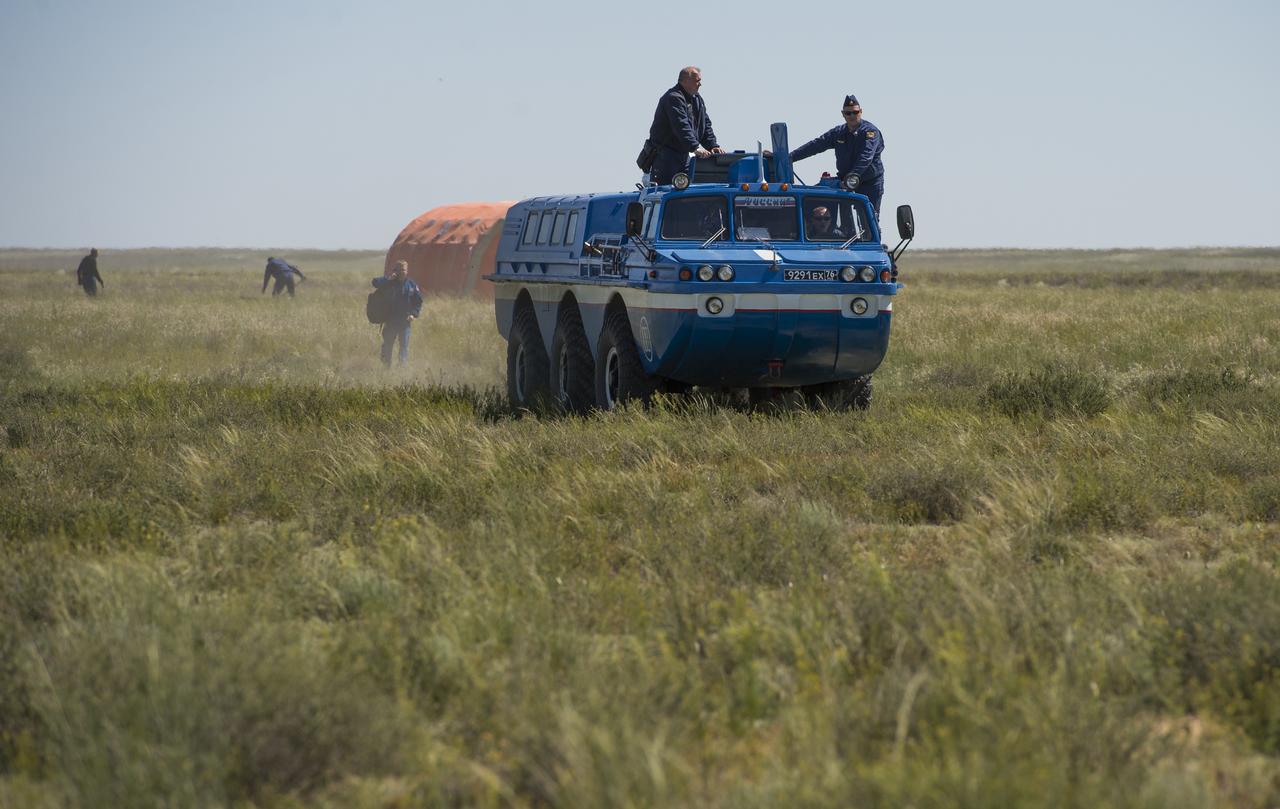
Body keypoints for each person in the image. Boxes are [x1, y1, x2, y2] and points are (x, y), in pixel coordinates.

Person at [790, 94, 885, 217]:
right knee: (829, 209)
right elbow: (816, 145)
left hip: (869, 183)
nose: (852, 116)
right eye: (848, 113)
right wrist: (790, 157)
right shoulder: (838, 133)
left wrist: (853, 175)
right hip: (845, 181)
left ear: (861, 112)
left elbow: (866, 156)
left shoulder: (870, 132)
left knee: (869, 217)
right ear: (843, 114)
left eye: (855, 112)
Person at [645, 66, 724, 185]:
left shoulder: (697, 99)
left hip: (684, 156)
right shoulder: (673, 98)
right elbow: (681, 126)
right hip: (667, 158)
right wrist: (695, 147)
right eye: (697, 81)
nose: (700, 84)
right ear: (685, 81)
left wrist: (712, 145)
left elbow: (705, 124)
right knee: (666, 192)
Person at [371, 260, 423, 368]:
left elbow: (418, 302)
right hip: (391, 321)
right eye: (398, 270)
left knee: (403, 346)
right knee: (388, 345)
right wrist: (389, 278)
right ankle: (386, 367)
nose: (401, 272)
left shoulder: (411, 285)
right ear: (395, 271)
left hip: (405, 322)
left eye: (403, 269)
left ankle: (401, 368)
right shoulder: (389, 283)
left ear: (407, 270)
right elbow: (375, 282)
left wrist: (413, 314)